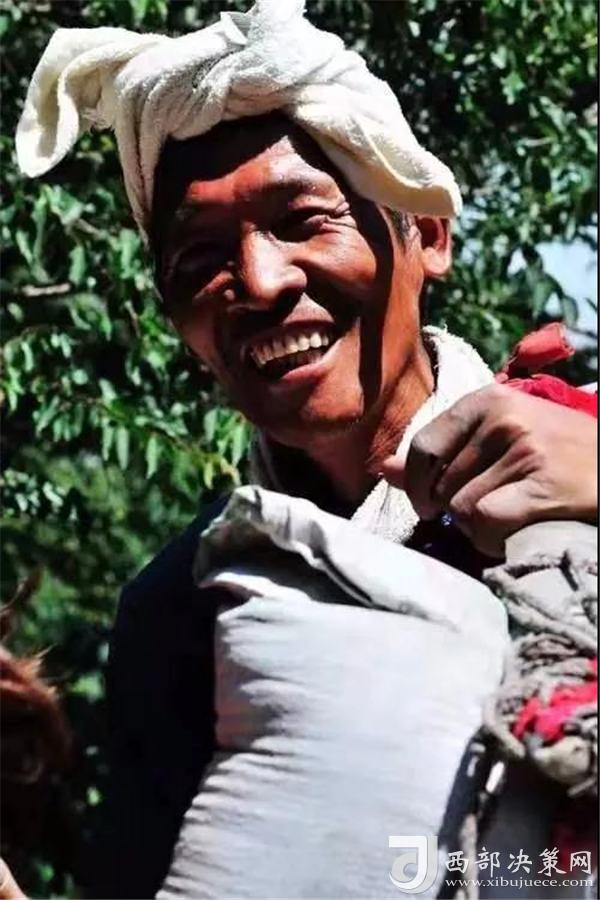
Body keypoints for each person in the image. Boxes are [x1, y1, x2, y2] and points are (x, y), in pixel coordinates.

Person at [16, 2, 597, 897]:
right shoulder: (180, 612)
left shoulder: (576, 456)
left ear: (427, 234)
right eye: (199, 257)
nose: (257, 281)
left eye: (303, 219)